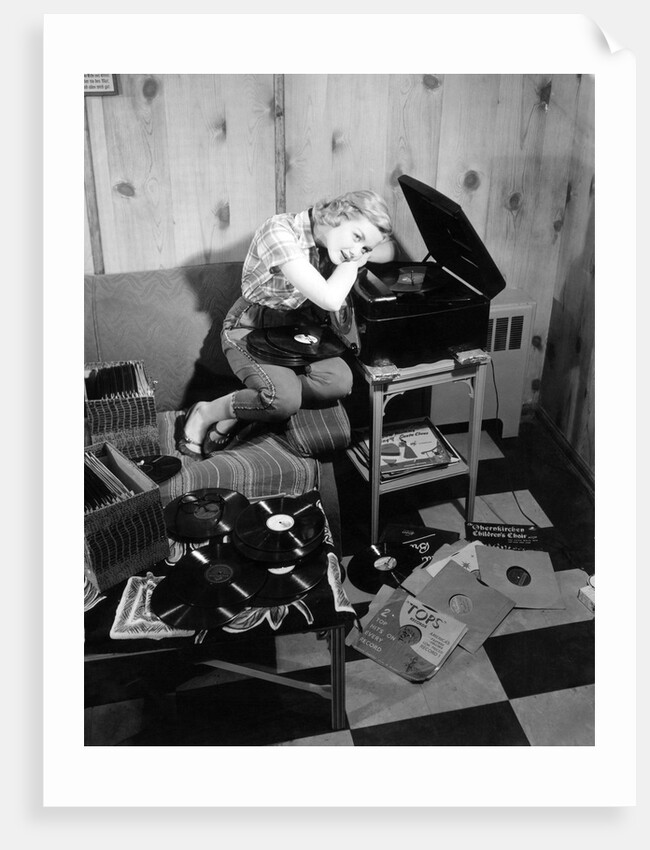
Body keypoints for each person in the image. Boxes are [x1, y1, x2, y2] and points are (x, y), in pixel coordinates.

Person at [178, 189, 395, 459]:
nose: (355, 251)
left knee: (340, 382)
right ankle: (206, 412)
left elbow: (390, 249)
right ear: (339, 215)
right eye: (357, 236)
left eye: (364, 247)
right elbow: (329, 298)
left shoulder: (334, 243)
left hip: (296, 328)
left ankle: (255, 403)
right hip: (250, 326)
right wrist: (356, 260)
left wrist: (364, 249)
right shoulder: (279, 231)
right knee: (284, 400)